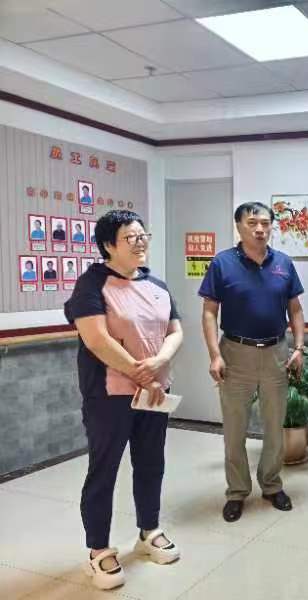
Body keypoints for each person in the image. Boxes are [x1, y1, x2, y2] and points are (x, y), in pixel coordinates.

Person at [64, 210, 183, 591]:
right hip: (109, 395)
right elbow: (96, 339)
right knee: (104, 469)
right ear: (108, 245)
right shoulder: (91, 285)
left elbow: (175, 330)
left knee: (151, 463)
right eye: (130, 237)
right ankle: (98, 549)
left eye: (143, 235)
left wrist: (160, 362)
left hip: (154, 394)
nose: (140, 242)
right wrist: (140, 371)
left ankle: (149, 531)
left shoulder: (156, 285)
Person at [199, 201, 305, 523]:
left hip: (276, 353)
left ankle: (271, 485)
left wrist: (299, 347)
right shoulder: (222, 263)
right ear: (239, 226)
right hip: (235, 353)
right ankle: (237, 491)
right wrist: (214, 355)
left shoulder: (283, 263)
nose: (260, 229)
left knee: (274, 426)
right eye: (252, 223)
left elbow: (295, 308)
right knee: (234, 429)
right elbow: (209, 312)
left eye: (265, 223)